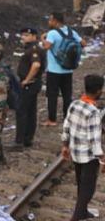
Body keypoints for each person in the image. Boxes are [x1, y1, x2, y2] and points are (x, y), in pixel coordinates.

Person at [62, 74, 105, 221]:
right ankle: (77, 217)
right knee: (88, 189)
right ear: (99, 91)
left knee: (81, 184)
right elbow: (95, 140)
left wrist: (65, 145)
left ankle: (83, 212)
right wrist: (102, 158)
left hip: (75, 152)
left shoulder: (75, 104)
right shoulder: (93, 112)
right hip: (88, 157)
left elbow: (66, 126)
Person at [44, 11, 82, 126]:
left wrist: (42, 39)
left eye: (50, 19)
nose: (49, 22)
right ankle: (67, 118)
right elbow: (83, 43)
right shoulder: (71, 32)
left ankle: (52, 120)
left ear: (55, 21)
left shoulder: (52, 33)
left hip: (54, 70)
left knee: (52, 95)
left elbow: (47, 46)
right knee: (67, 95)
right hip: (68, 69)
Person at [15, 28, 45, 148]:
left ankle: (20, 141)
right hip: (33, 84)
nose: (23, 37)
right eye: (22, 35)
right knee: (31, 111)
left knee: (22, 111)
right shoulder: (32, 48)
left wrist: (26, 80)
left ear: (34, 36)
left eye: (26, 35)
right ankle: (28, 139)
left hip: (29, 85)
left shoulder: (34, 49)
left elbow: (36, 65)